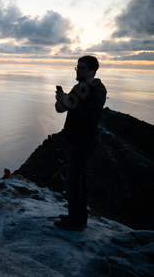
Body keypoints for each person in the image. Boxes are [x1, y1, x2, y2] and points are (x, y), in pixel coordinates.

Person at [54, 55, 107, 231]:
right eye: (77, 67)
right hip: (76, 140)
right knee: (79, 181)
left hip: (86, 141)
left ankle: (76, 222)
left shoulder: (98, 90)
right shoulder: (80, 87)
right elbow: (61, 110)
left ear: (93, 71)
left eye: (82, 68)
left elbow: (90, 118)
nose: (78, 70)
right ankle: (77, 216)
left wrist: (70, 103)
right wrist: (61, 101)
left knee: (73, 182)